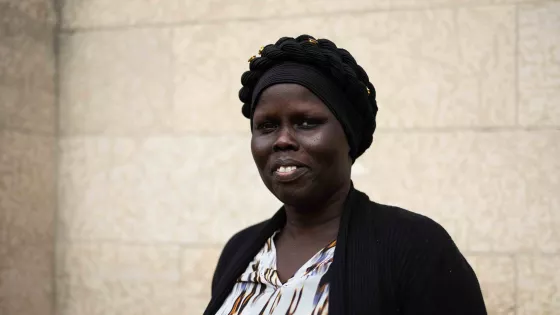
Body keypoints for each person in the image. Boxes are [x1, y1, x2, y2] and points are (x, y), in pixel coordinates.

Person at [202, 35, 487, 315]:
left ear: (348, 137)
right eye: (267, 126)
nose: (282, 140)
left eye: (306, 122)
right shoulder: (239, 252)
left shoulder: (415, 248)